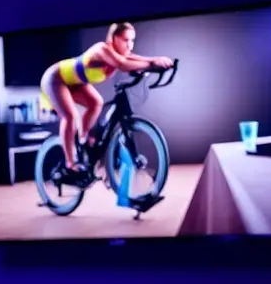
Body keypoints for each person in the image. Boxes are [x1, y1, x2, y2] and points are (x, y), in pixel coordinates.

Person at [40, 22, 174, 179]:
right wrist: (153, 64)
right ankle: (71, 164)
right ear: (114, 38)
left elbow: (139, 60)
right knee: (70, 117)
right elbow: (123, 65)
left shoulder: (121, 54)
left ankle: (83, 140)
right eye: (125, 40)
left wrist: (158, 60)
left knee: (96, 102)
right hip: (56, 78)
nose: (130, 45)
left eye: (132, 40)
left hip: (75, 82)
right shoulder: (102, 49)